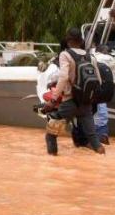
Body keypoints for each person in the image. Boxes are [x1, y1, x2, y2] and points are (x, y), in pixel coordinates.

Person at [45, 28, 106, 156]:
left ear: (69, 41)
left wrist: (53, 100)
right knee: (94, 139)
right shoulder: (91, 57)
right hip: (86, 104)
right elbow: (98, 81)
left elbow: (64, 77)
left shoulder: (65, 55)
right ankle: (102, 157)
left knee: (51, 134)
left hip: (69, 103)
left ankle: (52, 163)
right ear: (81, 41)